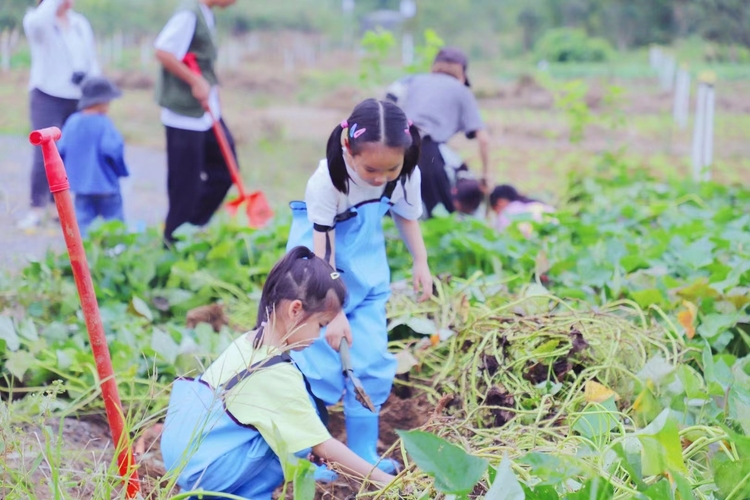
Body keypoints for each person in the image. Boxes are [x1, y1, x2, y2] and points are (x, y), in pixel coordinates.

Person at [161, 247, 396, 498]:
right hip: (209, 472)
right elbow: (324, 445)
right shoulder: (277, 375)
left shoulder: (249, 342)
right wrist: (384, 481)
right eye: (320, 325)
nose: (318, 336)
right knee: (290, 437)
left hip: (187, 461)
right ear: (295, 310)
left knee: (292, 425)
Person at [286, 99, 433, 473]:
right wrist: (330, 312)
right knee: (313, 362)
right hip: (315, 276)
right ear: (348, 149)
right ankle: (309, 455)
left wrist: (421, 262)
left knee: (369, 358)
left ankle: (363, 452)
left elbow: (406, 216)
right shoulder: (327, 180)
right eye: (370, 169)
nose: (380, 178)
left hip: (366, 273)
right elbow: (323, 257)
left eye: (391, 169)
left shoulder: (405, 172)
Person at [154, 0, 237, 243]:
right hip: (184, 116)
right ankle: (173, 241)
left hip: (208, 113)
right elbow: (163, 51)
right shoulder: (188, 13)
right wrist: (194, 81)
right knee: (184, 187)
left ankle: (191, 227)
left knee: (225, 170)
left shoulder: (207, 13)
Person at [20, 0, 100, 229]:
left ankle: (60, 208)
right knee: (43, 153)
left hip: (77, 95)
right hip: (46, 94)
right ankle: (36, 208)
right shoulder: (37, 20)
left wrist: (94, 92)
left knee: (70, 151)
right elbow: (37, 23)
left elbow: (91, 59)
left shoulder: (79, 23)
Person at [396, 47, 491, 218]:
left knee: (398, 209)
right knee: (440, 215)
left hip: (397, 146)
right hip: (427, 152)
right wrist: (485, 176)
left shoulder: (414, 81)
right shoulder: (461, 90)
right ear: (462, 74)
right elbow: (483, 139)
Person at [57, 76, 128, 237]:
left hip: (81, 185)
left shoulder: (72, 121)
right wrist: (120, 171)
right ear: (102, 102)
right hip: (106, 185)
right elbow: (113, 149)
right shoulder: (104, 123)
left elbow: (61, 149)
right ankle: (117, 250)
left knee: (83, 221)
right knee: (114, 220)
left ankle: (86, 252)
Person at [490, 184, 555, 235]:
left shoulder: (509, 211)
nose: (498, 215)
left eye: (496, 211)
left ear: (500, 202)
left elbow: (501, 234)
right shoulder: (536, 204)